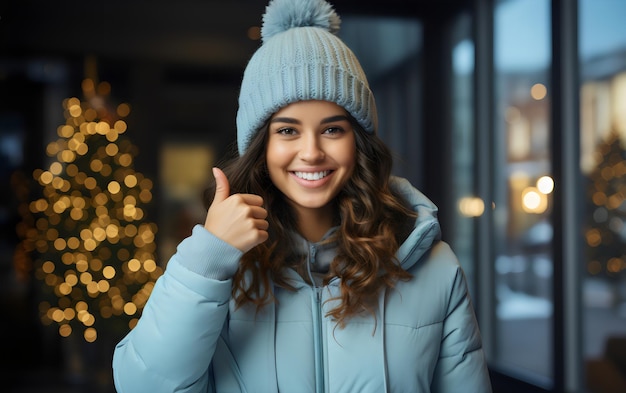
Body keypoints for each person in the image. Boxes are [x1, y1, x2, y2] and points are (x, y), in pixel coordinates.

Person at [112, 0, 492, 391]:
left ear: (358, 142)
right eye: (288, 131)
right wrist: (208, 259)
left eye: (332, 130)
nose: (311, 152)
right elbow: (144, 385)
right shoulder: (219, 268)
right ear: (261, 145)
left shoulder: (434, 266)